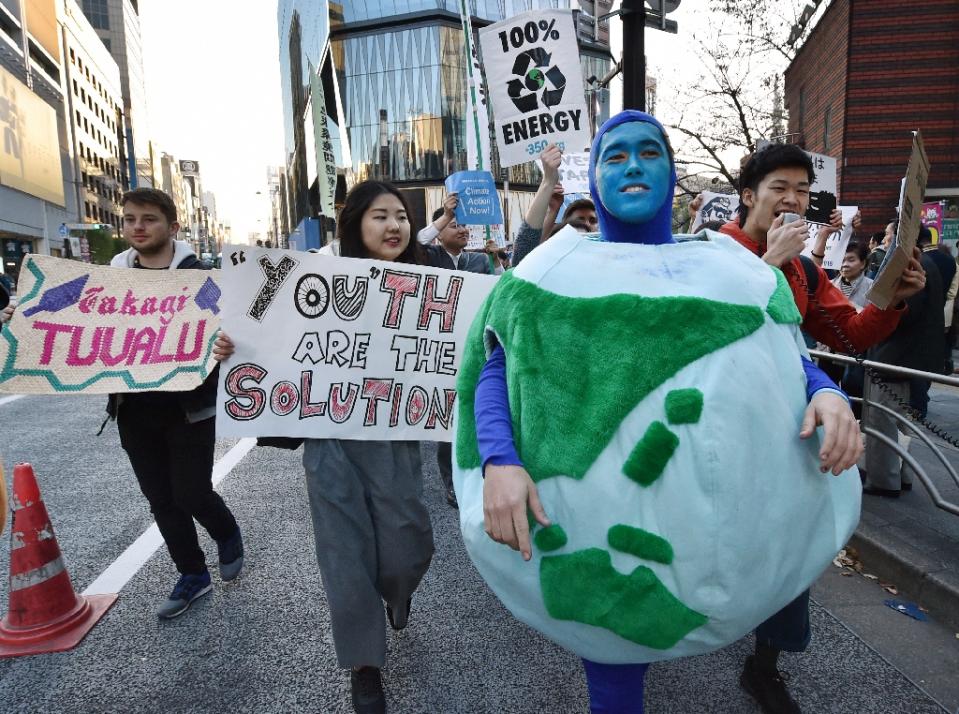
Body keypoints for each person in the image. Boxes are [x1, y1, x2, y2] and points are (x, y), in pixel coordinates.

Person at [455, 111, 862, 714]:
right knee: (611, 646)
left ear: (673, 176)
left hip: (706, 504)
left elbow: (783, 354)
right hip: (589, 505)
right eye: (614, 156)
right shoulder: (543, 275)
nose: (633, 166)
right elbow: (496, 370)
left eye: (649, 153)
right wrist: (498, 460)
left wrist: (824, 390)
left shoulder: (740, 274)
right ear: (593, 178)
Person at [718, 143, 926, 714]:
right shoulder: (712, 255)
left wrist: (892, 300)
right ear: (748, 196)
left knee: (789, 544)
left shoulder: (806, 269)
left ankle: (765, 665)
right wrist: (764, 269)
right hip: (718, 433)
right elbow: (704, 334)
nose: (792, 199)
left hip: (784, 434)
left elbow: (851, 335)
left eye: (802, 191)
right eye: (779, 187)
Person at [217, 181, 434, 714]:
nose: (394, 227)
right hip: (329, 437)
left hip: (395, 436)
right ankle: (364, 665)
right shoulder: (311, 275)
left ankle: (398, 592)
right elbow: (260, 330)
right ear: (356, 222)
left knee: (408, 545)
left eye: (401, 217)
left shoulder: (431, 282)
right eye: (381, 216)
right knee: (344, 554)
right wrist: (230, 346)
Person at [100, 188, 243, 620]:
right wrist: (23, 315)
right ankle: (192, 574)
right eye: (129, 219)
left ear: (172, 227)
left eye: (148, 219)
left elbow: (234, 329)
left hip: (189, 409)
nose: (137, 227)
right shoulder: (109, 281)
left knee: (191, 491)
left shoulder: (201, 277)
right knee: (160, 498)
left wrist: (226, 345)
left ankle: (226, 530)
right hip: (133, 409)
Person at [863, 236, 943, 496]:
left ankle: (883, 480)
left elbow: (902, 313)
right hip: (906, 358)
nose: (885, 241)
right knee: (898, 422)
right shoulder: (926, 263)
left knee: (881, 421)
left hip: (892, 357)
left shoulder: (911, 266)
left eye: (889, 235)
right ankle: (901, 475)